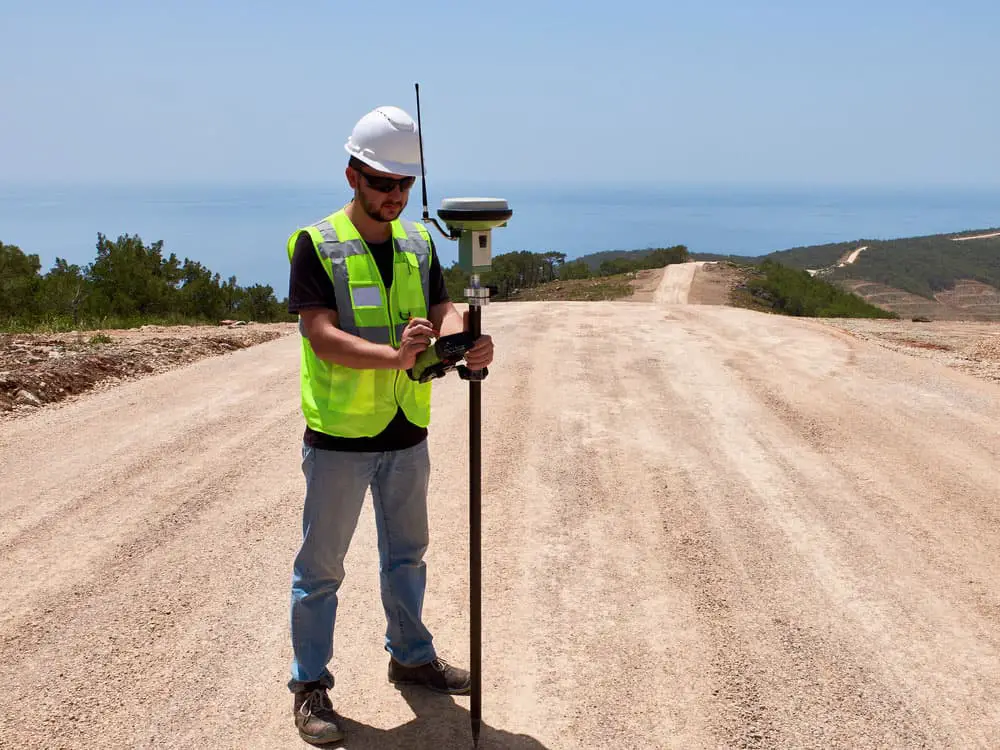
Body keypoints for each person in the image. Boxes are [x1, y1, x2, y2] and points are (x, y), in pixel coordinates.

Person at [283, 104, 495, 745]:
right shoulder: (314, 244)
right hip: (341, 436)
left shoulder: (419, 242)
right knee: (322, 569)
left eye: (404, 185)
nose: (394, 197)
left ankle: (410, 654)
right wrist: (395, 357)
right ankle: (311, 684)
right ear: (352, 176)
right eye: (382, 183)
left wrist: (467, 340)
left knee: (407, 556)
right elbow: (320, 336)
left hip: (406, 430)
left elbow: (442, 307)